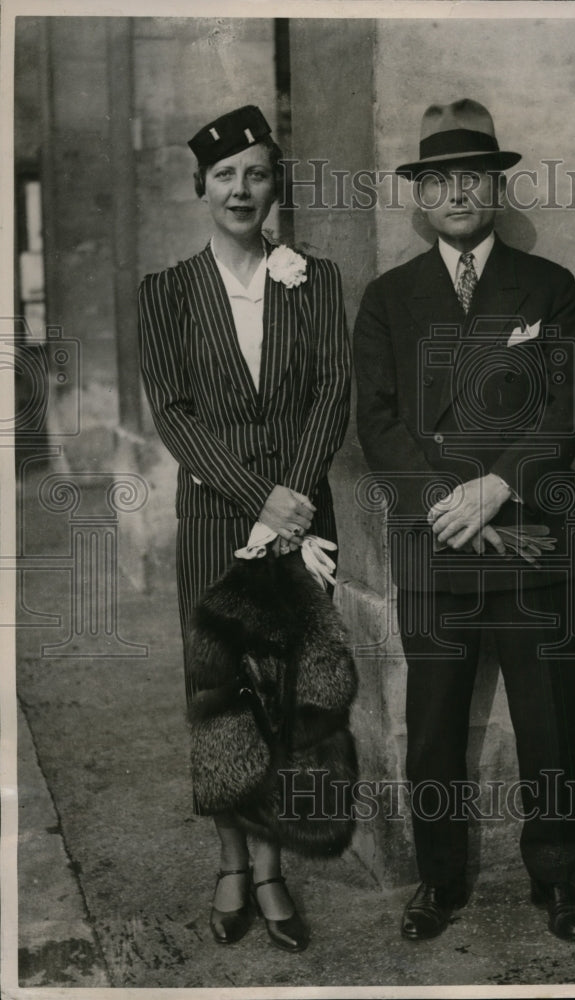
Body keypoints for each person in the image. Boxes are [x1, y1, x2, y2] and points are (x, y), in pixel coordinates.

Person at [353, 99, 575, 942]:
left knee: (548, 725)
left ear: (493, 186)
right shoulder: (388, 298)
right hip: (435, 549)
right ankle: (439, 882)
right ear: (419, 198)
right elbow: (376, 421)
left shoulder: (548, 287)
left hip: (529, 540)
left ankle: (558, 881)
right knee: (431, 733)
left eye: (472, 176)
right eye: (438, 180)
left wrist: (494, 487)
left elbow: (564, 409)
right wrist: (440, 505)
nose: (456, 193)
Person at [138, 105, 351, 951]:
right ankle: (230, 864)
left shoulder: (317, 280)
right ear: (202, 188)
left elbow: (332, 390)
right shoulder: (165, 292)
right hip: (215, 527)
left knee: (286, 698)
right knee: (220, 699)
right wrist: (260, 498)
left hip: (302, 525)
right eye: (224, 175)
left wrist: (292, 500)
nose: (241, 188)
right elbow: (174, 416)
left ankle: (270, 872)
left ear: (274, 187)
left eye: (256, 173)